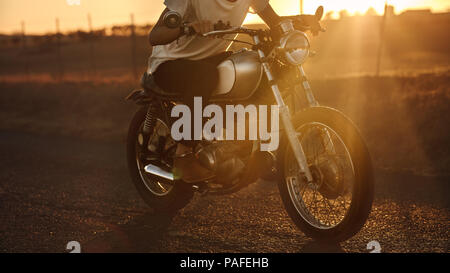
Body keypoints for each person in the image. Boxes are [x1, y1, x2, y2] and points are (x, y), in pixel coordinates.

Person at [147, 0, 319, 181]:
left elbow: (274, 22)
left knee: (261, 69)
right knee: (206, 77)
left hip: (211, 60)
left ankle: (246, 145)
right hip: (169, 64)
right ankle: (183, 156)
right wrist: (186, 28)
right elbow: (155, 35)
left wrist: (301, 21)